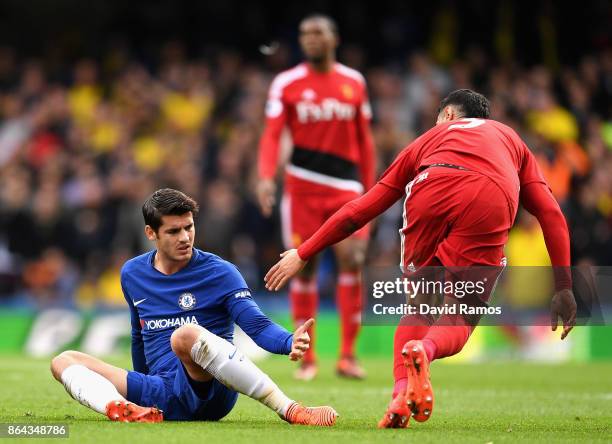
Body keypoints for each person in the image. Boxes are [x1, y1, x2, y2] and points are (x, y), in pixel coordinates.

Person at [264, 89, 577, 428]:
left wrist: (304, 251)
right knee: (461, 314)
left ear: (448, 116)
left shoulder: (429, 138)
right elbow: (550, 214)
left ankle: (400, 395)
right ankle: (424, 352)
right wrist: (564, 287)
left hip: (431, 185)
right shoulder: (509, 138)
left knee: (418, 306)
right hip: (491, 193)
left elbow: (363, 209)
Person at [50, 188, 337, 425]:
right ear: (151, 233)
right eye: (174, 231)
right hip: (161, 390)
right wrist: (143, 384)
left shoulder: (220, 272)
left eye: (189, 227)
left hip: (211, 391)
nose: (185, 237)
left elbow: (256, 325)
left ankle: (291, 409)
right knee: (63, 360)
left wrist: (289, 341)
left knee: (184, 335)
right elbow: (139, 336)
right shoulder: (132, 273)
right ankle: (124, 409)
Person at [257, 13, 376, 380]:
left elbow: (364, 140)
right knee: (302, 268)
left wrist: (372, 193)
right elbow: (273, 133)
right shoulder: (286, 83)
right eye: (304, 33)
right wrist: (265, 176)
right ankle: (306, 358)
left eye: (317, 32)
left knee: (352, 259)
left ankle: (348, 355)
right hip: (302, 190)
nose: (310, 38)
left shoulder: (354, 82)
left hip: (346, 187)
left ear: (333, 38)